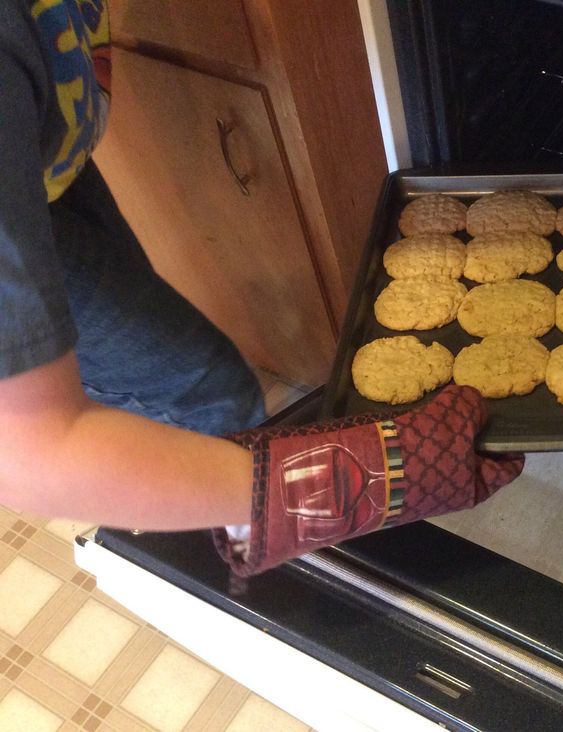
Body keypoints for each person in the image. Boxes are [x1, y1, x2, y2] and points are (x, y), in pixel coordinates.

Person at [0, 0, 522, 576]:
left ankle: (189, 488)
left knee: (130, 363)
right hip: (25, 170)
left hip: (46, 165)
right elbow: (29, 451)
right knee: (208, 392)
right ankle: (231, 541)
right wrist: (352, 478)